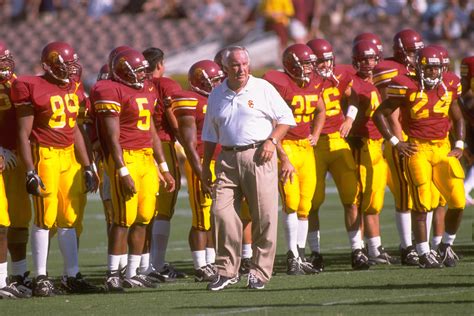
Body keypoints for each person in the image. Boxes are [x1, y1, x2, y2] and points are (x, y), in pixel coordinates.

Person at [202, 46, 296, 290]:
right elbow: (210, 134)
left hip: (259, 156)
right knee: (220, 213)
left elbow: (286, 118)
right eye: (235, 65)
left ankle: (260, 272)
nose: (241, 69)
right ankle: (226, 270)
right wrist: (205, 167)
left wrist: (272, 141)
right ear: (225, 68)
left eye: (244, 64)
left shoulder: (263, 88)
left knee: (264, 216)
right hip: (227, 158)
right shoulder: (216, 94)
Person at [13, 41, 99, 296]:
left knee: (69, 218)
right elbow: (23, 133)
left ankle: (71, 275)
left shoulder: (73, 86)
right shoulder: (31, 86)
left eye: (71, 65)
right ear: (47, 66)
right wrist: (30, 170)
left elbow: (74, 130)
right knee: (44, 218)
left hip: (69, 157)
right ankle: (40, 277)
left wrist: (87, 165)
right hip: (45, 155)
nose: (69, 70)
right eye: (63, 65)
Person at [373, 46, 465, 268]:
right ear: (419, 67)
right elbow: (380, 114)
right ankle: (423, 252)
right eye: (429, 68)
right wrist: (396, 142)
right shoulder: (405, 84)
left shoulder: (450, 83)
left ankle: (445, 246)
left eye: (437, 68)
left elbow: (458, 116)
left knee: (458, 201)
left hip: (443, 147)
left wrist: (460, 143)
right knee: (422, 201)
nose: (434, 73)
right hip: (418, 148)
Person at [93, 48, 175, 291]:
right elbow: (111, 137)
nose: (142, 75)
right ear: (123, 71)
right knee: (122, 220)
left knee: (144, 217)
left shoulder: (146, 91)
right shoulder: (111, 90)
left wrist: (164, 167)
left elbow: (152, 133)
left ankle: (132, 272)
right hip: (126, 158)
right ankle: (112, 274)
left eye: (143, 71)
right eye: (137, 71)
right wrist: (122, 171)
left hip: (146, 158)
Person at [306, 38, 369, 271]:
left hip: (338, 141)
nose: (325, 65)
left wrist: (350, 118)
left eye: (328, 60)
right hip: (313, 145)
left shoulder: (341, 74)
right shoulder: (304, 81)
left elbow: (353, 95)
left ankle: (357, 250)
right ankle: (315, 253)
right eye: (320, 61)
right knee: (312, 202)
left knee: (351, 197)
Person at [263, 43, 325, 275]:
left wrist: (316, 134)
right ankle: (292, 256)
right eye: (305, 64)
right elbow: (269, 121)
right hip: (286, 147)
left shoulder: (314, 83)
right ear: (291, 65)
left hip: (305, 150)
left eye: (310, 64)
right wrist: (280, 152)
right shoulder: (278, 84)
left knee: (304, 205)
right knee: (290, 202)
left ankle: (299, 254)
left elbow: (320, 110)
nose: (309, 68)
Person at [372, 29, 425, 266]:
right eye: (413, 51)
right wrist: (398, 140)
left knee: (421, 195)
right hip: (399, 139)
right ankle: (407, 247)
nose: (416, 55)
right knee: (404, 193)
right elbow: (390, 111)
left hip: (417, 137)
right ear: (401, 50)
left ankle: (421, 244)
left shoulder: (418, 68)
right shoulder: (388, 69)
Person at [172, 59, 224, 282]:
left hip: (221, 161)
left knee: (214, 216)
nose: (218, 84)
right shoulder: (190, 100)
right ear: (200, 81)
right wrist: (201, 171)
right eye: (213, 80)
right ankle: (200, 265)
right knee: (202, 217)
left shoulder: (217, 98)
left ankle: (211, 261)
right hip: (202, 162)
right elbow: (189, 143)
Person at [350, 40, 396, 265]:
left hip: (380, 145)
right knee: (361, 199)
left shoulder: (384, 81)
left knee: (375, 199)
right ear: (355, 61)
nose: (368, 63)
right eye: (364, 59)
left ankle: (376, 247)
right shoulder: (353, 84)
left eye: (372, 58)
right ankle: (364, 249)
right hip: (362, 143)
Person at [142, 47, 185, 280]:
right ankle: (156, 264)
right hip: (163, 147)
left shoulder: (133, 84)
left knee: (141, 211)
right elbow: (177, 123)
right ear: (160, 64)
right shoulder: (166, 85)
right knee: (164, 210)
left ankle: (137, 265)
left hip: (136, 149)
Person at [0, 41, 30, 299]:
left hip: (18, 159)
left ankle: (19, 274)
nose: (5, 64)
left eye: (7, 58)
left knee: (20, 219)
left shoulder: (18, 83)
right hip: (1, 159)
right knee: (0, 222)